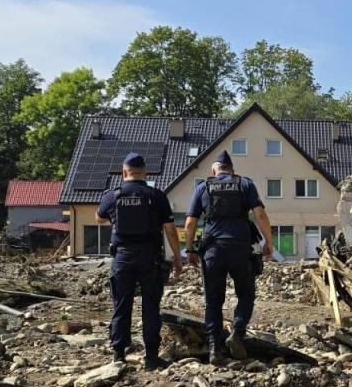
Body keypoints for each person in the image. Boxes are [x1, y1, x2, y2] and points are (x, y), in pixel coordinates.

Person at [183, 150, 274, 365]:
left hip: (212, 250)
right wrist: (268, 242)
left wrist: (190, 250)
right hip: (240, 249)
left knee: (213, 301)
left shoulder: (203, 187)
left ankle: (215, 348)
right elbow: (259, 214)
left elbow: (190, 222)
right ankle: (238, 333)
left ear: (214, 170)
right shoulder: (245, 184)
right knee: (246, 294)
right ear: (232, 170)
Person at [97, 152, 182, 370]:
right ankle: (151, 357)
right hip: (150, 258)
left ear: (123, 172)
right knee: (151, 307)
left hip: (122, 257)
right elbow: (171, 231)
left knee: (121, 305)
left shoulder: (112, 195)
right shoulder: (156, 196)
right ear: (145, 172)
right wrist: (178, 258)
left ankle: (118, 355)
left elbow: (99, 218)